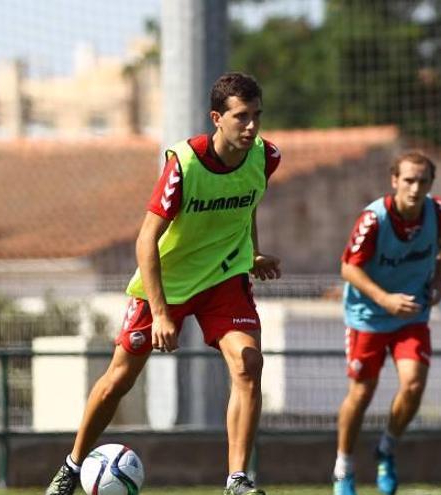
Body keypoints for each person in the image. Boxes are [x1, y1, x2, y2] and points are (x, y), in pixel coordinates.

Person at [44, 72, 282, 495]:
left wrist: (254, 252)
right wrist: (159, 313)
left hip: (224, 277)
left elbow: (248, 203)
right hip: (167, 282)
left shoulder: (266, 157)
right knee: (120, 378)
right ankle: (71, 465)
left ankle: (237, 480)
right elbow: (145, 240)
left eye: (257, 116)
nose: (251, 126)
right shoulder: (185, 166)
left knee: (249, 363)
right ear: (217, 118)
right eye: (241, 117)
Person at [332, 151, 441, 495]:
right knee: (362, 392)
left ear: (430, 184)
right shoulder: (374, 219)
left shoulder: (439, 212)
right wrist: (385, 299)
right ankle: (343, 467)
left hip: (411, 313)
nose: (415, 188)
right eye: (409, 180)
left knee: (413, 385)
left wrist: (439, 277)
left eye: (422, 181)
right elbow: (347, 268)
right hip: (368, 316)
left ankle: (386, 448)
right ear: (394, 181)